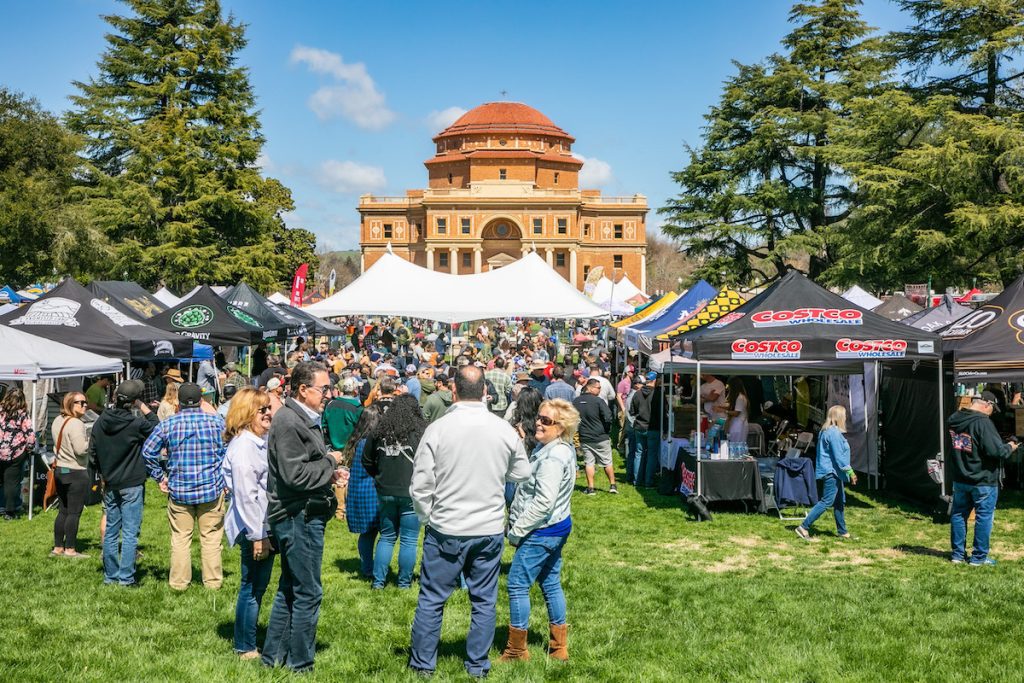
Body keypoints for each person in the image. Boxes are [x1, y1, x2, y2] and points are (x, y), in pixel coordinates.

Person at [408, 365, 532, 679]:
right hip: (486, 528)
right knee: (483, 600)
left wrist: (427, 517)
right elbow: (522, 473)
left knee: (433, 599)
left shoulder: (438, 428)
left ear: (454, 391)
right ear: (486, 393)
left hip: (447, 526)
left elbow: (421, 484)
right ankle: (477, 663)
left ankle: (424, 664)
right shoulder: (502, 429)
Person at [261, 362, 348, 673]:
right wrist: (329, 460)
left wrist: (328, 473)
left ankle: (272, 657)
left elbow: (301, 468)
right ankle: (301, 664)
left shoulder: (301, 418)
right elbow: (295, 475)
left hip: (303, 513)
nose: (329, 394)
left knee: (291, 587)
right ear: (302, 389)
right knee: (308, 591)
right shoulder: (288, 421)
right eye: (323, 389)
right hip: (298, 516)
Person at [499, 398, 580, 663]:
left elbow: (544, 502)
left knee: (517, 584)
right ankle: (558, 648)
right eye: (539, 417)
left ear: (562, 427)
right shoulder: (557, 449)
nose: (539, 423)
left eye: (547, 421)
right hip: (557, 526)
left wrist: (517, 531)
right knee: (550, 582)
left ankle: (516, 650)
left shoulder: (554, 457)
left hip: (541, 530)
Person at [142, 383, 228, 590]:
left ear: (178, 402)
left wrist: (159, 476)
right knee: (211, 538)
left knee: (180, 539)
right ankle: (213, 582)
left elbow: (147, 451)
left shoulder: (168, 424)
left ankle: (179, 582)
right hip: (211, 489)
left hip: (180, 490)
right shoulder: (217, 422)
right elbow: (230, 451)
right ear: (202, 401)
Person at [223, 387, 275, 659]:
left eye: (268, 407)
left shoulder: (256, 441)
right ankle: (245, 645)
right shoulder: (244, 446)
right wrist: (258, 535)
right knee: (252, 587)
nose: (268, 413)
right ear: (246, 414)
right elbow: (246, 496)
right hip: (254, 525)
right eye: (262, 409)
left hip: (261, 523)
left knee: (256, 586)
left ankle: (246, 639)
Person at [90, 380, 158, 585]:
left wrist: (102, 472)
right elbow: (158, 429)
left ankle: (111, 575)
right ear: (134, 401)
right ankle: (126, 577)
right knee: (130, 532)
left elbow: (92, 454)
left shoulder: (100, 421)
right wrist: (144, 407)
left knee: (111, 530)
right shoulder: (135, 424)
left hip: (110, 481)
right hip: (132, 482)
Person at [947, 391, 1019, 565]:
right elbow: (997, 452)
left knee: (958, 515)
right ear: (987, 405)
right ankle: (978, 558)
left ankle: (957, 555)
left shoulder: (954, 418)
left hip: (961, 477)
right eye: (993, 409)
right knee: (984, 517)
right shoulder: (983, 423)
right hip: (983, 480)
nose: (992, 413)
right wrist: (1011, 445)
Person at [363, 394, 426, 589]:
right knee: (408, 539)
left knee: (387, 537)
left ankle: (378, 582)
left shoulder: (379, 431)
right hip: (410, 492)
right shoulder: (421, 432)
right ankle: (404, 583)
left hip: (385, 490)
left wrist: (380, 476)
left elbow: (367, 460)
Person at [796, 405, 857, 541]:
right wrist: (851, 472)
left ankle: (843, 531)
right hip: (832, 472)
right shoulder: (833, 433)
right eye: (844, 415)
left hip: (836, 472)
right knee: (826, 501)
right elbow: (839, 457)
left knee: (839, 502)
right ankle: (804, 527)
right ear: (839, 417)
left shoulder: (827, 431)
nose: (846, 417)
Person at [344, 404, 383, 578]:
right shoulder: (372, 443)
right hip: (372, 491)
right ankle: (375, 570)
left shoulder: (356, 441)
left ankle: (367, 567)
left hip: (357, 491)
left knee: (366, 534)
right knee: (384, 533)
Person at [51, 391, 91, 558]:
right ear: (69, 404)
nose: (85, 405)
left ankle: (58, 547)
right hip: (75, 471)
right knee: (74, 512)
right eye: (80, 403)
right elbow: (81, 450)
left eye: (85, 402)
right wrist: (91, 440)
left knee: (63, 510)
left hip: (60, 469)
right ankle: (70, 549)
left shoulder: (57, 420)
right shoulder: (76, 423)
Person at [574, 379, 616, 495]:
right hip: (601, 437)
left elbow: (573, 419)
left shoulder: (576, 402)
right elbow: (608, 416)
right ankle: (613, 485)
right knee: (607, 462)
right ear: (590, 388)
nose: (600, 390)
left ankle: (591, 488)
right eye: (598, 388)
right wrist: (607, 430)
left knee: (589, 463)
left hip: (585, 437)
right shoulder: (598, 401)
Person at [0, 389, 36, 520]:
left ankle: (1, 506)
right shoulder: (22, 415)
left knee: (2, 481)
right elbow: (30, 435)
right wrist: (30, 448)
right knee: (12, 482)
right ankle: (10, 512)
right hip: (16, 452)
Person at [724, 377, 749, 445]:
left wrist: (725, 411)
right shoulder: (739, 397)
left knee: (736, 444)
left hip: (739, 425)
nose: (728, 388)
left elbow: (736, 413)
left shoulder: (740, 397)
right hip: (737, 424)